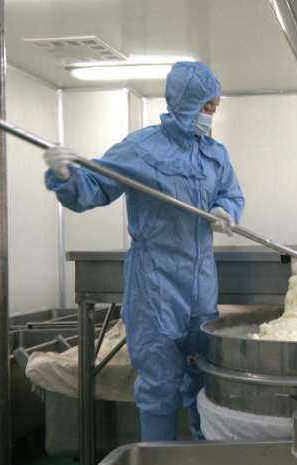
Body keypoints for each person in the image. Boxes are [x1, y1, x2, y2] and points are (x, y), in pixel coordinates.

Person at [42, 62, 244, 441]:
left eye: (215, 108)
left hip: (202, 285)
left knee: (204, 380)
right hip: (156, 286)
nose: (211, 115)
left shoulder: (215, 153)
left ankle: (204, 457)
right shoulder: (140, 148)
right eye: (207, 106)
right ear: (186, 102)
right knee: (159, 385)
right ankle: (157, 459)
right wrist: (67, 175)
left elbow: (231, 194)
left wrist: (225, 210)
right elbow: (95, 187)